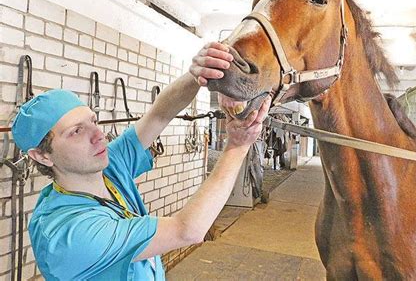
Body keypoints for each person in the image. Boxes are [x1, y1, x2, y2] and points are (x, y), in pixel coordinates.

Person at [11, 42, 271, 280]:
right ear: (41, 155)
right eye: (76, 131)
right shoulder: (68, 232)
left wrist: (197, 74)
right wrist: (237, 145)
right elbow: (187, 230)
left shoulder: (108, 168)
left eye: (93, 121)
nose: (98, 135)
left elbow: (159, 114)